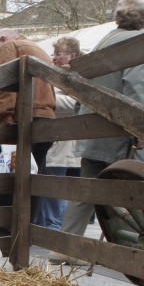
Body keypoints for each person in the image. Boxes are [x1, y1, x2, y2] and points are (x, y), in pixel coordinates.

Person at [50, 0, 144, 265]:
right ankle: (140, 254)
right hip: (122, 134)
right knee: (140, 190)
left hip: (93, 130)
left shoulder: (104, 41)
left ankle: (66, 247)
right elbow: (140, 92)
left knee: (86, 192)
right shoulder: (141, 44)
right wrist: (143, 132)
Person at [0, 28, 56, 225]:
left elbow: (4, 83)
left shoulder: (9, 46)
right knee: (34, 176)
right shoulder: (40, 50)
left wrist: (4, 115)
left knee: (11, 173)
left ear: (2, 39)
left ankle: (7, 228)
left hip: (23, 118)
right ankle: (28, 225)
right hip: (45, 118)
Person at [35, 37, 82, 231]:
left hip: (63, 138)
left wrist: (45, 100)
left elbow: (76, 104)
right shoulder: (54, 74)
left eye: (59, 54)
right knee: (46, 181)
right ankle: (45, 225)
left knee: (56, 184)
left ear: (72, 55)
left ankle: (55, 227)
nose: (54, 58)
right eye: (53, 54)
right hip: (50, 135)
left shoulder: (76, 76)